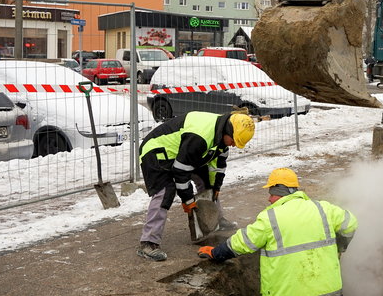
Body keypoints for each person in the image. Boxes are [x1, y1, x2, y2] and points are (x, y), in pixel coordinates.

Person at [198, 168, 358, 296]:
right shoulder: (323, 208)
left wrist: (216, 253)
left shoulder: (270, 218)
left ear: (281, 192)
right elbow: (350, 223)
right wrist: (340, 247)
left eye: (271, 194)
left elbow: (242, 242)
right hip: (330, 291)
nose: (269, 199)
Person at [136, 111, 255, 261]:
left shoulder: (221, 136)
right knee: (166, 191)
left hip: (182, 153)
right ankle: (148, 242)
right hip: (156, 151)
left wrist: (216, 188)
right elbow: (181, 171)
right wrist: (188, 200)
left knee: (207, 183)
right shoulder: (200, 138)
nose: (233, 145)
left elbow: (218, 167)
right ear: (228, 130)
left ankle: (215, 220)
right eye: (233, 141)